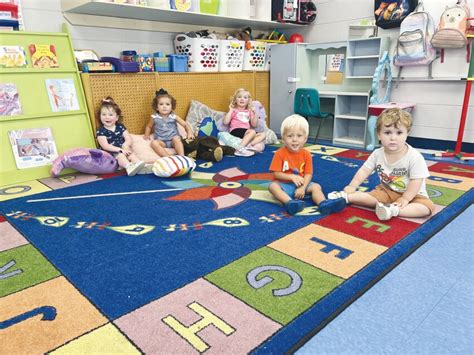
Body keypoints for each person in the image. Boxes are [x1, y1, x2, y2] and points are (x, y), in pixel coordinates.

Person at [328, 108, 435, 221]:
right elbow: (364, 170)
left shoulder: (414, 157)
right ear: (379, 135)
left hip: (414, 195)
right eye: (388, 132)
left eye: (399, 133)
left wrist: (405, 198)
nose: (393, 138)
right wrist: (352, 186)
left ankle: (393, 210)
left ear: (406, 134)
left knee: (426, 208)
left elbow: (416, 181)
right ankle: (345, 197)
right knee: (370, 198)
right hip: (387, 191)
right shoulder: (377, 154)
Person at [268, 114, 346, 215]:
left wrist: (303, 188)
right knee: (272, 186)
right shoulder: (279, 153)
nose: (294, 139)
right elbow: (276, 174)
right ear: (283, 138)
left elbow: (308, 174)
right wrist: (291, 177)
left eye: (299, 136)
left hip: (302, 185)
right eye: (290, 136)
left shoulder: (307, 154)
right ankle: (290, 203)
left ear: (305, 138)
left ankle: (323, 204)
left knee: (316, 186)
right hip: (285, 186)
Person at [96, 97, 145, 176]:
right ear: (100, 116)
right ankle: (128, 167)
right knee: (121, 155)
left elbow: (128, 138)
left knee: (130, 153)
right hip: (111, 153)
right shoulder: (100, 131)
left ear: (117, 117)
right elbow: (105, 146)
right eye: (103, 114)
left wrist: (125, 145)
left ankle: (139, 165)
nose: (107, 117)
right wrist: (120, 150)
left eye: (110, 115)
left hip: (123, 149)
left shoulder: (120, 127)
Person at [144, 89, 194, 157]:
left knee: (176, 138)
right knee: (153, 143)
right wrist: (146, 135)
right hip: (161, 141)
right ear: (157, 107)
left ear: (171, 106)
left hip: (173, 140)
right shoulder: (154, 117)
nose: (164, 106)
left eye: (167, 104)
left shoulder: (174, 116)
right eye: (161, 104)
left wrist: (189, 132)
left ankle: (182, 156)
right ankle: (168, 157)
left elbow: (185, 124)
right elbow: (148, 126)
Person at [223, 88, 266, 157]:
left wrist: (255, 114)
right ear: (235, 100)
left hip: (246, 132)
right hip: (236, 130)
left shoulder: (249, 111)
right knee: (252, 132)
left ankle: (249, 146)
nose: (242, 99)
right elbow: (225, 122)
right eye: (239, 97)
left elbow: (254, 125)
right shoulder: (234, 110)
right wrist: (230, 110)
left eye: (245, 97)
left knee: (263, 135)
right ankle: (239, 149)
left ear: (248, 101)